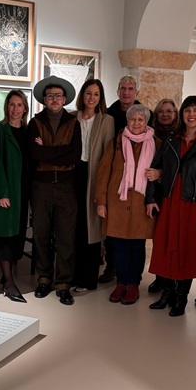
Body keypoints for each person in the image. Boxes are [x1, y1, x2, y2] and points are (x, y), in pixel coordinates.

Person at [146, 96, 196, 317]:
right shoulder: (171, 139)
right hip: (169, 200)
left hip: (193, 204)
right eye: (187, 110)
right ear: (181, 114)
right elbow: (154, 168)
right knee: (165, 247)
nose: (191, 114)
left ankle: (181, 297)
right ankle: (167, 293)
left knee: (188, 251)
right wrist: (150, 198)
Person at [95, 104, 158, 304]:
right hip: (117, 203)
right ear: (127, 121)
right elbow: (103, 173)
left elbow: (165, 169)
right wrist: (101, 201)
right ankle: (121, 283)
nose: (136, 123)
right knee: (119, 247)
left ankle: (133, 285)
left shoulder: (156, 143)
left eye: (141, 119)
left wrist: (159, 173)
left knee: (137, 247)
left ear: (146, 122)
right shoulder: (115, 142)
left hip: (141, 204)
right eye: (133, 119)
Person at [28, 76, 82, 305]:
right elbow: (35, 153)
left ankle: (63, 284)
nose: (54, 99)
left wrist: (48, 151)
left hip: (66, 188)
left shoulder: (73, 123)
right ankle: (44, 279)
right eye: (50, 96)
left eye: (58, 96)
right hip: (40, 187)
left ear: (65, 99)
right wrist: (61, 151)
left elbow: (75, 155)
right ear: (44, 99)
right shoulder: (35, 122)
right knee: (41, 235)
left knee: (66, 237)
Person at [0, 90, 30, 303]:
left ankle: (6, 276)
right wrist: (1, 192)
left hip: (22, 193)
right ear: (6, 107)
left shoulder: (28, 132)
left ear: (25, 108)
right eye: (12, 104)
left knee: (16, 237)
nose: (15, 109)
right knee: (3, 238)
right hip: (6, 192)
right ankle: (9, 283)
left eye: (19, 105)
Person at [101, 75, 145, 283]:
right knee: (113, 232)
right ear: (118, 91)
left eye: (130, 88)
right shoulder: (108, 114)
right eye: (123, 88)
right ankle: (112, 267)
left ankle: (132, 279)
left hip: (138, 187)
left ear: (137, 92)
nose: (126, 92)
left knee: (136, 237)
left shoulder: (145, 114)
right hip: (116, 183)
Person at [72, 79, 115, 293]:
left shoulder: (107, 120)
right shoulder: (72, 117)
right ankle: (70, 276)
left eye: (96, 94)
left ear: (101, 98)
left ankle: (87, 280)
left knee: (91, 229)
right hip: (73, 174)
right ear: (82, 94)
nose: (92, 98)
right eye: (88, 93)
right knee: (73, 227)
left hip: (94, 175)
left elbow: (108, 157)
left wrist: (103, 190)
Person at [147, 98, 178, 294]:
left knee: (172, 238)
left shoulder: (180, 135)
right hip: (154, 191)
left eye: (169, 111)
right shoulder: (149, 134)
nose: (165, 114)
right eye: (161, 111)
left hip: (173, 192)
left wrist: (161, 173)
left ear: (175, 114)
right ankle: (160, 277)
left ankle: (171, 279)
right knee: (158, 239)